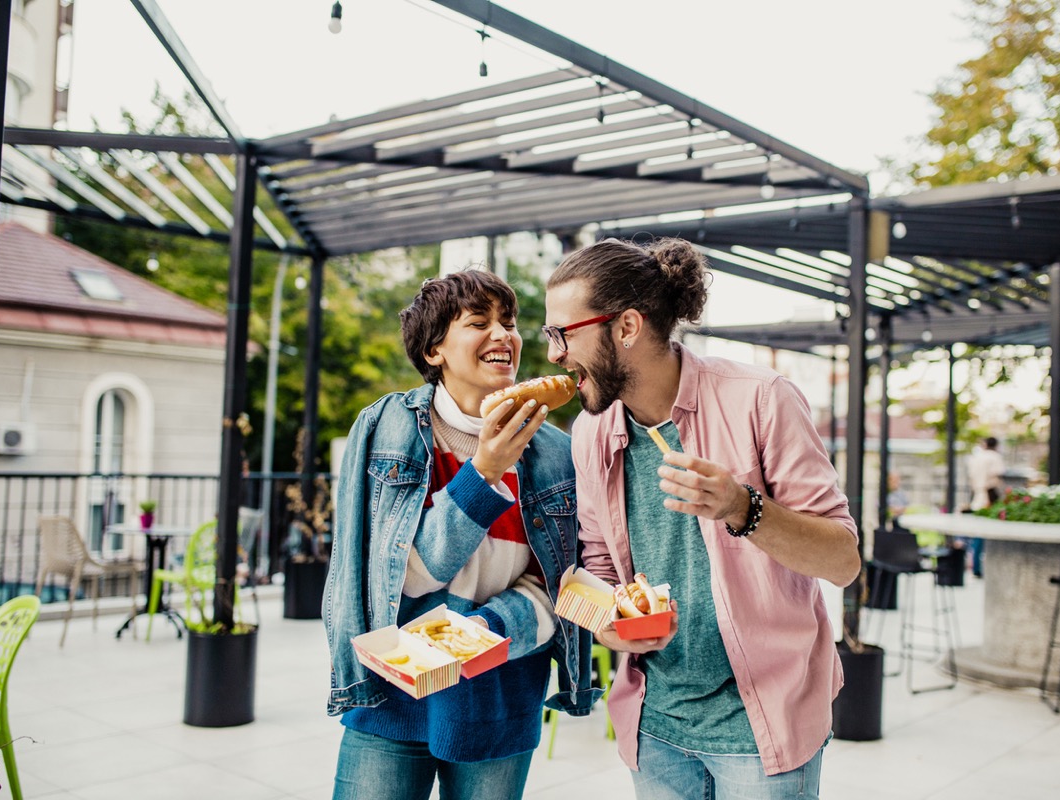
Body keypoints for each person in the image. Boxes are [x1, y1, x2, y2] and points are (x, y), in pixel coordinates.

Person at [543, 238, 861, 799]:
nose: (554, 354)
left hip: (763, 725)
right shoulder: (592, 432)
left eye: (563, 333)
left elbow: (841, 560)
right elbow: (597, 567)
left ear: (626, 327)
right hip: (655, 726)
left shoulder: (761, 399)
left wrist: (744, 508)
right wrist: (606, 621)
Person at [324, 269, 599, 800]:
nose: (504, 336)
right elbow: (399, 576)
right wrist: (484, 473)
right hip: (391, 698)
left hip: (498, 697)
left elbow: (563, 585)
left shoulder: (556, 454)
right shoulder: (385, 430)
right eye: (479, 322)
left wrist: (487, 628)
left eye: (510, 323)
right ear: (434, 350)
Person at [966, 436, 1005, 577]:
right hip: (989, 496)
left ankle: (976, 567)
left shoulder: (975, 458)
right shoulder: (994, 457)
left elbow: (971, 477)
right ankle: (990, 568)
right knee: (990, 533)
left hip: (976, 496)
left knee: (978, 533)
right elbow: (997, 476)